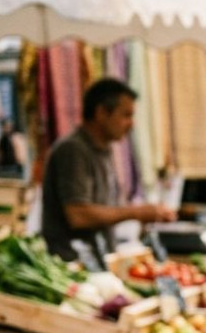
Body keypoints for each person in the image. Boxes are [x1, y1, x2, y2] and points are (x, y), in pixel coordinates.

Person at [40, 78, 174, 262]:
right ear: (101, 112)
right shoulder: (73, 150)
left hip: (99, 259)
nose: (131, 124)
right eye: (126, 115)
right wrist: (136, 213)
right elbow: (78, 215)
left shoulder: (103, 149)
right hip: (72, 264)